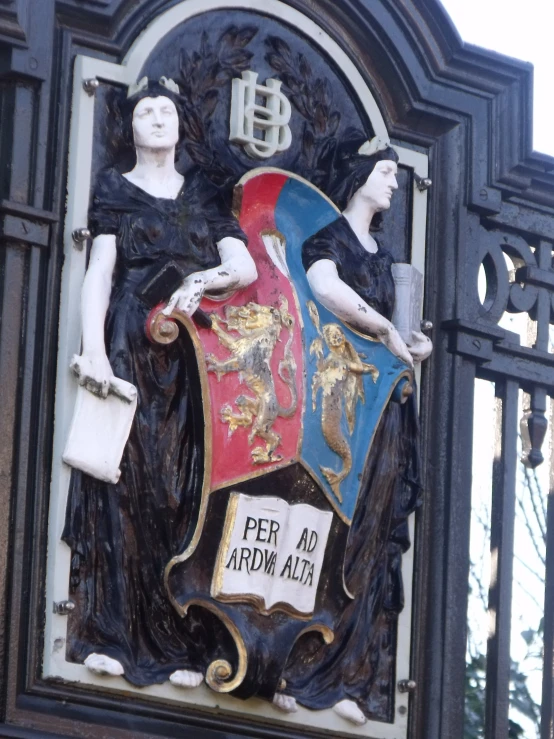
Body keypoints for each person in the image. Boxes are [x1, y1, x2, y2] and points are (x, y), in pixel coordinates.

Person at [62, 76, 257, 688]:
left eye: (165, 111)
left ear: (179, 124)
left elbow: (244, 266)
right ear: (131, 126)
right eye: (144, 111)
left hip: (192, 359)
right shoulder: (117, 190)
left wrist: (201, 282)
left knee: (183, 491)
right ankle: (110, 636)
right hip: (128, 346)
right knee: (121, 486)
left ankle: (180, 645)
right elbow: (101, 272)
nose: (156, 119)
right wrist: (94, 350)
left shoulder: (203, 193)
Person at [281, 131, 432, 725]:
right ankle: (292, 662)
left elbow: (391, 335)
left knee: (370, 535)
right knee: (327, 528)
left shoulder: (381, 256)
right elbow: (322, 286)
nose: (395, 182)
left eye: (397, 173)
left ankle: (348, 673)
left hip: (384, 410)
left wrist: (407, 341)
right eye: (387, 172)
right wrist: (386, 330)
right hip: (336, 408)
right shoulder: (333, 240)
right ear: (361, 175)